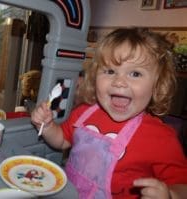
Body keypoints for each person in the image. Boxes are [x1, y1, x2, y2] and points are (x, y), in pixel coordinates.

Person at [31, 27, 187, 199]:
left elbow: (182, 185)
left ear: (157, 86)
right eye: (110, 71)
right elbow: (61, 141)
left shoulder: (161, 138)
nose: (119, 81)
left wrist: (170, 195)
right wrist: (47, 126)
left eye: (135, 73)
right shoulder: (84, 112)